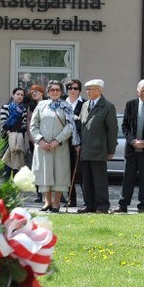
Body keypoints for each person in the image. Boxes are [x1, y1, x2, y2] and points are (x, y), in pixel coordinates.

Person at [112, 80, 144, 213]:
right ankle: (123, 204)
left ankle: (143, 206)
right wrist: (132, 140)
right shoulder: (130, 105)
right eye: (142, 91)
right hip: (132, 149)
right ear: (137, 91)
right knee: (128, 178)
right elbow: (125, 126)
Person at [30, 80, 77, 212]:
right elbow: (33, 126)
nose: (55, 92)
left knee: (59, 173)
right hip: (43, 147)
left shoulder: (66, 106)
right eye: (52, 90)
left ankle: (56, 203)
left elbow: (70, 126)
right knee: (45, 173)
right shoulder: (41, 106)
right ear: (48, 92)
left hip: (59, 146)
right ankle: (47, 202)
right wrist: (40, 141)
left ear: (61, 92)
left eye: (57, 90)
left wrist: (57, 140)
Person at [77, 79, 118, 214]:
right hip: (86, 149)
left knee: (99, 180)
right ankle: (89, 204)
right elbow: (82, 126)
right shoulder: (85, 105)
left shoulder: (107, 106)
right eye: (87, 89)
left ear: (99, 90)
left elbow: (112, 130)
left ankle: (102, 206)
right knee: (86, 180)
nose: (87, 91)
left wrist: (111, 150)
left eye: (91, 89)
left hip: (99, 149)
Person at [65, 79, 85, 207]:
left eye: (75, 88)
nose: (73, 90)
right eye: (70, 88)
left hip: (78, 143)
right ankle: (71, 199)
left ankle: (87, 200)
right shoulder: (62, 103)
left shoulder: (84, 104)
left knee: (81, 173)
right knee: (67, 171)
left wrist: (80, 143)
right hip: (64, 142)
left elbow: (85, 125)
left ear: (79, 90)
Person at [0, 87, 28, 176]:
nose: (20, 96)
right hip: (7, 136)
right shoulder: (6, 107)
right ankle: (6, 181)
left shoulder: (24, 109)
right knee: (7, 160)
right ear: (13, 95)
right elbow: (3, 122)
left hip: (19, 137)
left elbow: (24, 124)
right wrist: (10, 135)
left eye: (22, 95)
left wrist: (19, 135)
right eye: (18, 94)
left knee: (18, 161)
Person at [27, 84, 46, 204]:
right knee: (37, 167)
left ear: (42, 93)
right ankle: (39, 193)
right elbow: (29, 123)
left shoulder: (47, 104)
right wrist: (32, 139)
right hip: (35, 140)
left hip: (46, 139)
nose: (34, 94)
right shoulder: (31, 106)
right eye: (32, 92)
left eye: (36, 92)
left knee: (48, 166)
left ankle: (53, 194)